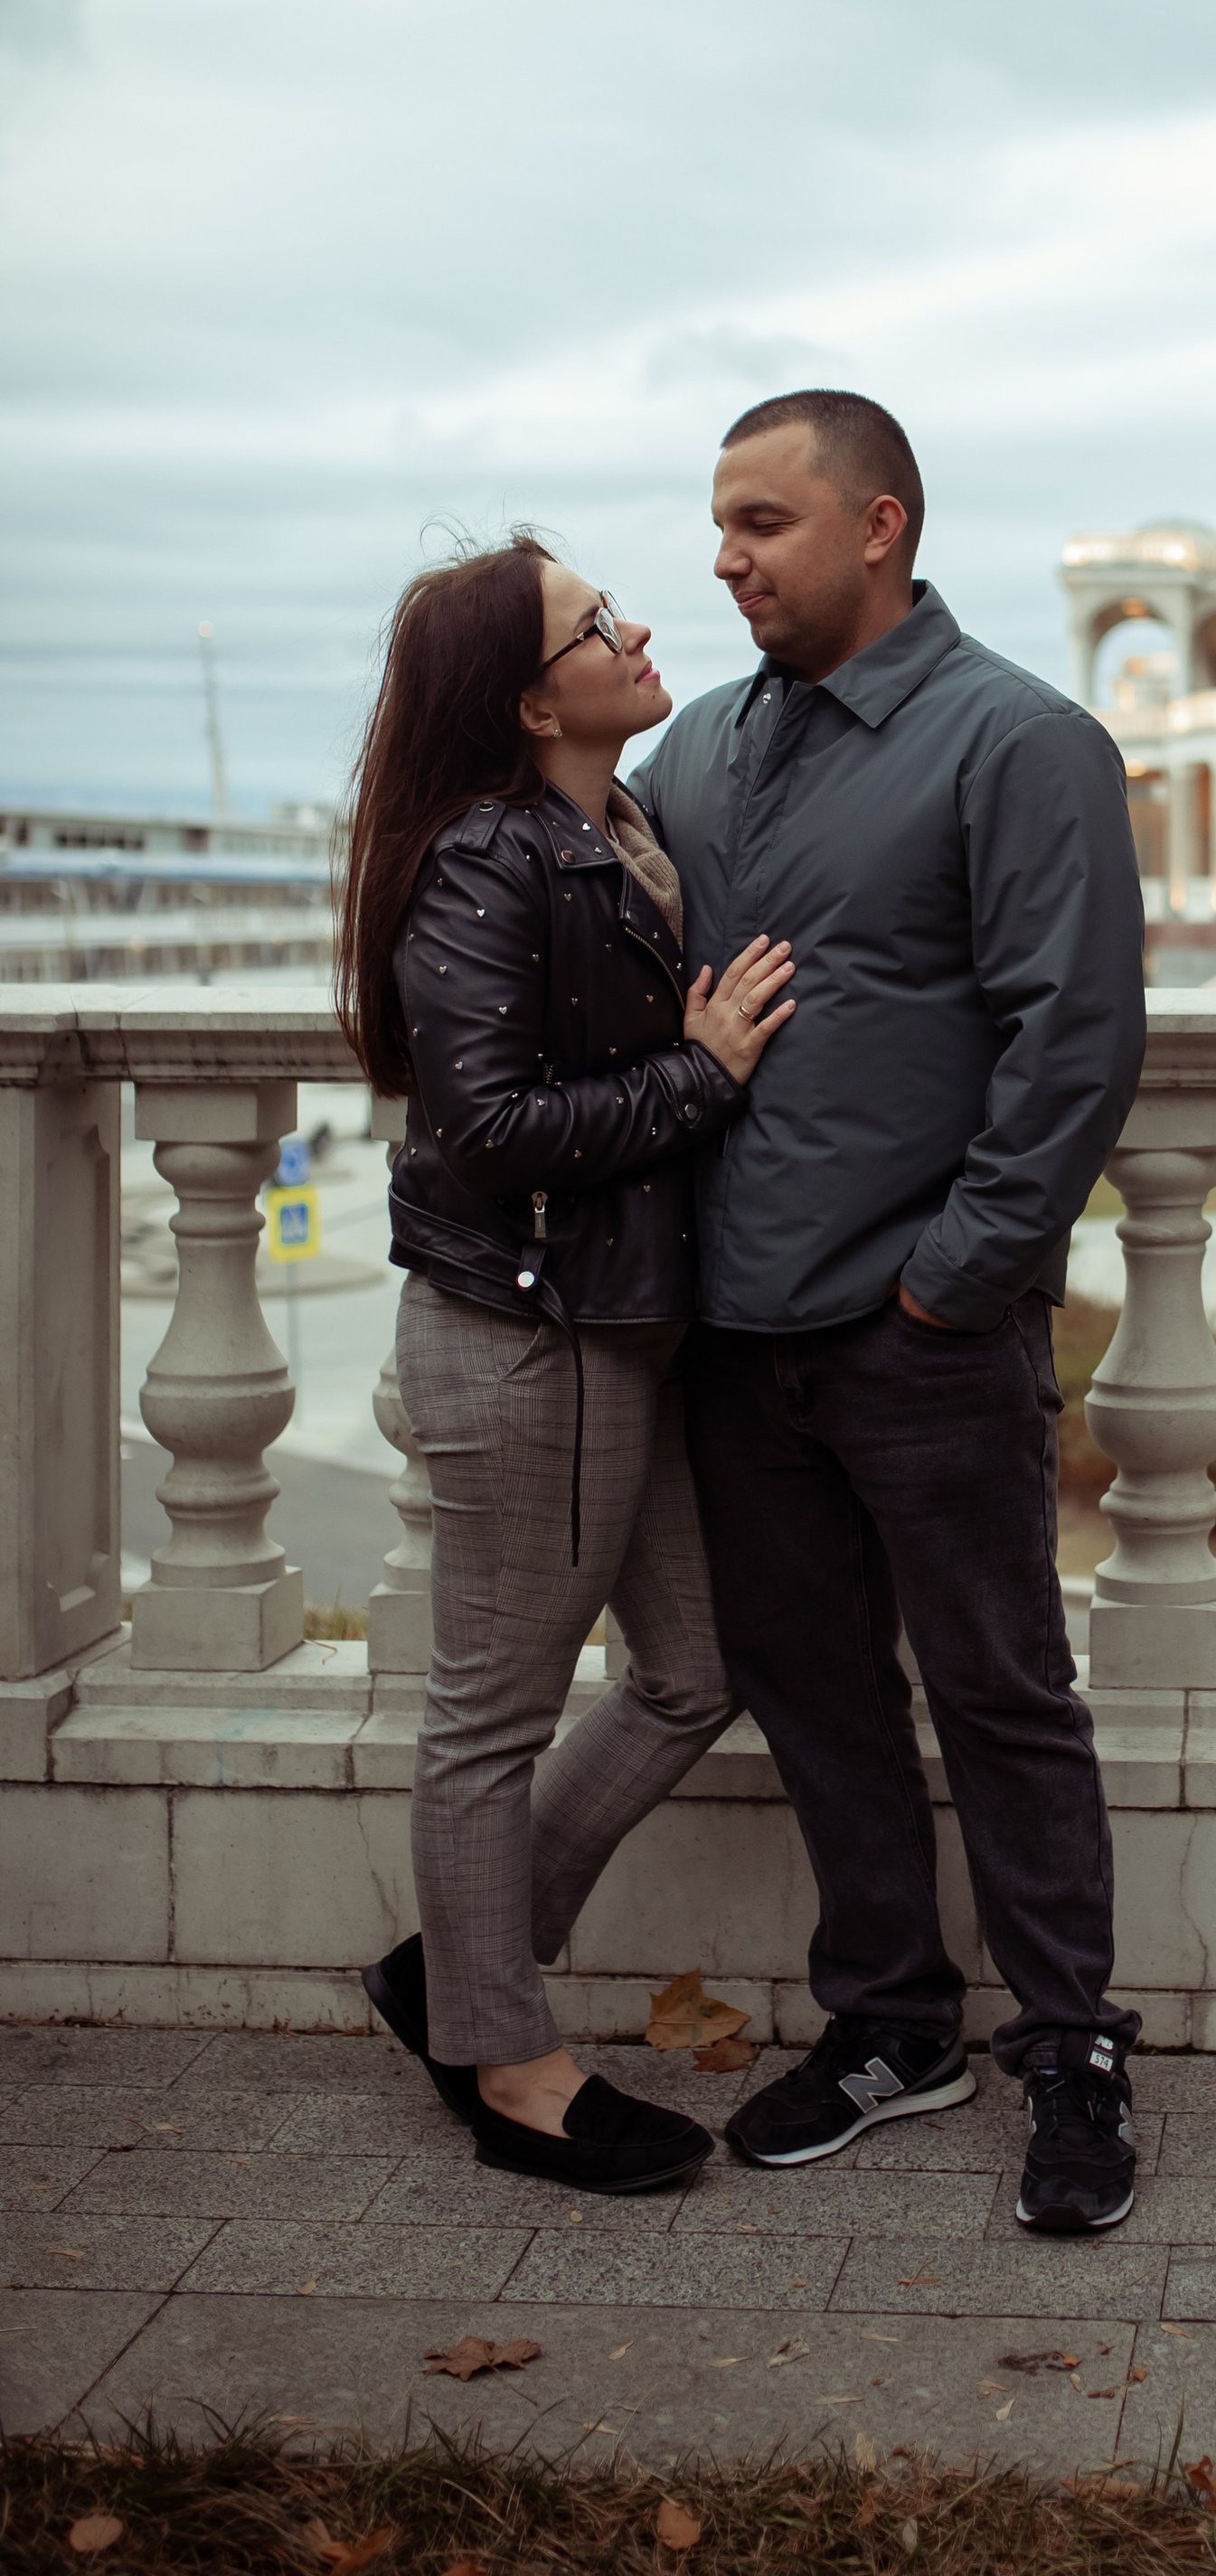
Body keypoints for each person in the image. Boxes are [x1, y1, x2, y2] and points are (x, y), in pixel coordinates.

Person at [632, 390, 1147, 2235]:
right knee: (815, 1695)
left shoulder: (1018, 739)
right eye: (718, 521)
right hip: (733, 1337)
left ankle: (1072, 2044)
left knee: (1002, 1692)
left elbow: (1072, 1041)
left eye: (763, 519)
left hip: (922, 1332)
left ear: (879, 524)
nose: (724, 555)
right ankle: (888, 2023)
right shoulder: (693, 751)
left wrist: (954, 1278)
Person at [337, 532, 795, 2195]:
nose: (641, 624)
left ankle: (452, 1973)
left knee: (697, 1663)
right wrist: (702, 1068)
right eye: (599, 624)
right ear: (533, 698)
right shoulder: (483, 859)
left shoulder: (619, 823)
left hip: (621, 1328)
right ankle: (507, 2064)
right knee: (491, 1716)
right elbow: (488, 1129)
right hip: (530, 1339)